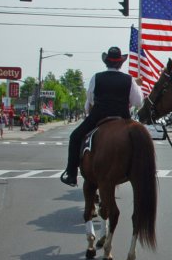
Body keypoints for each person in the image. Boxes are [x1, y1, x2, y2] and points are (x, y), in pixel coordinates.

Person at [60, 47, 143, 187]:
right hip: (123, 118)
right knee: (141, 140)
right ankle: (141, 173)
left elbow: (90, 99)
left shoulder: (96, 77)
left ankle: (72, 174)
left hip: (98, 117)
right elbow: (138, 102)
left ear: (106, 63)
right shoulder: (129, 80)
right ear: (120, 64)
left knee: (75, 137)